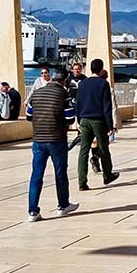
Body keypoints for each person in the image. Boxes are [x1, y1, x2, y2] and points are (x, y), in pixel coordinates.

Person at [26, 68, 78, 222]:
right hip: (57, 139)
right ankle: (63, 206)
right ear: (64, 81)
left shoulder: (36, 93)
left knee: (36, 175)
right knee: (60, 173)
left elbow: (29, 116)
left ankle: (32, 212)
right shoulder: (64, 95)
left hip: (38, 140)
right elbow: (70, 118)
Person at [74, 59, 119, 191]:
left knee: (84, 150)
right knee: (103, 148)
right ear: (101, 69)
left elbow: (78, 103)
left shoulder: (82, 84)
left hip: (84, 120)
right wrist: (110, 126)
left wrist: (78, 120)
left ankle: (82, 182)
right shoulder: (103, 84)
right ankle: (107, 175)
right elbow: (107, 107)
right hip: (98, 121)